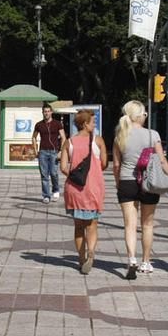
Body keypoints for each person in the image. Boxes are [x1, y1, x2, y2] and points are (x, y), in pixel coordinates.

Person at [112, 100, 168, 279]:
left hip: (126, 181)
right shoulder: (152, 135)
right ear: (140, 116)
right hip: (148, 182)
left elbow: (116, 165)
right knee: (147, 224)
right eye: (145, 114)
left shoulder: (119, 135)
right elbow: (161, 160)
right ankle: (146, 262)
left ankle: (132, 258)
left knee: (129, 225)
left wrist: (118, 183)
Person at [60, 110, 108, 275]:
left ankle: (81, 260)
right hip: (93, 188)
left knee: (78, 226)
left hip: (74, 190)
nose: (95, 125)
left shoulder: (69, 142)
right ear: (85, 124)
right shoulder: (98, 141)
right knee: (92, 225)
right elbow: (104, 163)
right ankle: (91, 253)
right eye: (93, 122)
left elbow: (63, 167)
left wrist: (75, 176)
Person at [32, 104, 67, 204]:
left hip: (54, 151)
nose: (46, 113)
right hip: (42, 151)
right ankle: (46, 195)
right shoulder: (39, 124)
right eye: (45, 111)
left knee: (54, 173)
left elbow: (63, 137)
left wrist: (61, 151)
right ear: (42, 112)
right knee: (44, 175)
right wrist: (35, 150)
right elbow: (34, 137)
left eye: (48, 111)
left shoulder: (57, 124)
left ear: (51, 112)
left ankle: (55, 191)